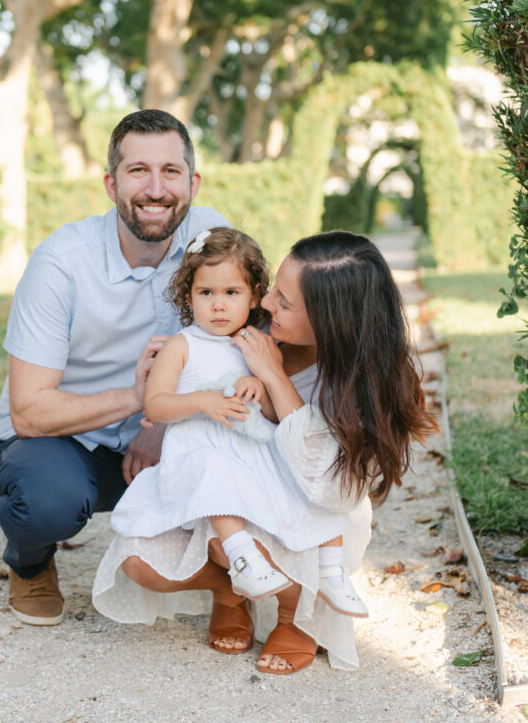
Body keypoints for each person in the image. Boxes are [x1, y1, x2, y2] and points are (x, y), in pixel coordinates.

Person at [93, 230, 437, 673]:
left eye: (285, 301)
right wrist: (168, 402)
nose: (267, 303)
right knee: (141, 561)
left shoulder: (367, 384)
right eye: (273, 288)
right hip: (228, 480)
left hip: (311, 503)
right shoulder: (244, 329)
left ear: (333, 319)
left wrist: (273, 376)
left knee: (229, 538)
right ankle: (231, 590)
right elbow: (196, 391)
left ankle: (299, 615)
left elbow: (329, 488)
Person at [0, 109, 228, 626]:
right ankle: (28, 562)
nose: (156, 189)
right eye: (138, 171)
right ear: (111, 183)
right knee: (48, 504)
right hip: (58, 439)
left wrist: (164, 423)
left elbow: (238, 342)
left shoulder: (208, 236)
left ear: (193, 182)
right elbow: (29, 412)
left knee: (248, 439)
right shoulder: (60, 264)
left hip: (159, 433)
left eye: (171, 171)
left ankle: (229, 577)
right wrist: (142, 400)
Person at [95, 226, 367, 613]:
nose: (218, 305)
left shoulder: (257, 343)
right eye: (206, 293)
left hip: (253, 451)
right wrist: (201, 401)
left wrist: (258, 388)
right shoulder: (181, 345)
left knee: (304, 498)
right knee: (217, 478)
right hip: (202, 449)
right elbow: (154, 407)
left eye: (231, 293)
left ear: (255, 295)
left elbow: (276, 417)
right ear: (188, 295)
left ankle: (332, 575)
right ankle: (242, 559)